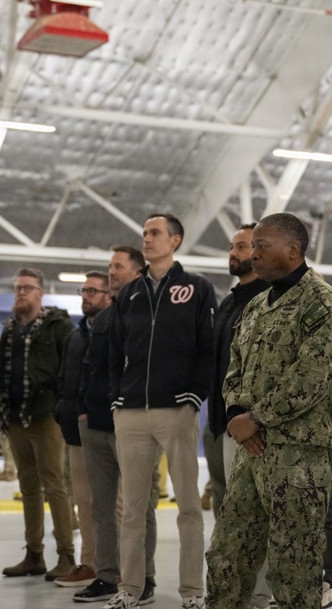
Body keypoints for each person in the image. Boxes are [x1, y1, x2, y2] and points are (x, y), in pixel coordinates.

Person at [205, 212, 332, 609]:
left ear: (293, 249)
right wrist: (237, 412)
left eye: (262, 246)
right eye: (251, 247)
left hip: (297, 455)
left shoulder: (322, 303)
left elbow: (313, 377)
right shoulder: (255, 307)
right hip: (251, 453)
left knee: (294, 562)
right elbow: (234, 367)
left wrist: (255, 419)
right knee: (227, 552)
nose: (253, 255)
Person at [105, 213, 217, 609]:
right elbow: (114, 350)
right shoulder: (129, 293)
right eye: (145, 233)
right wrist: (118, 399)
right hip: (131, 412)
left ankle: (192, 592)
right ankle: (130, 589)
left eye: (154, 233)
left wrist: (193, 397)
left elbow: (208, 349)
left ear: (175, 240)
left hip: (177, 409)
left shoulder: (197, 289)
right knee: (133, 509)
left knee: (188, 505)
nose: (146, 239)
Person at [74, 246, 160, 604]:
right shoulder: (107, 314)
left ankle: (145, 578)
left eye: (118, 266)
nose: (111, 272)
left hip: (133, 418)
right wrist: (83, 410)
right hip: (96, 422)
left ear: (138, 272)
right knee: (100, 505)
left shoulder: (151, 309)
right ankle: (106, 575)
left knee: (140, 505)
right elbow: (93, 367)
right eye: (110, 266)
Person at [0, 267, 77, 581]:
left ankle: (66, 555)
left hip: (47, 416)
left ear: (40, 293)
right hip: (17, 417)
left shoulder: (58, 326)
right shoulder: (11, 328)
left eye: (27, 288)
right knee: (28, 488)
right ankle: (34, 554)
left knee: (54, 486)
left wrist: (62, 404)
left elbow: (71, 368)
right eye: (17, 288)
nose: (20, 292)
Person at [205, 223, 272, 609]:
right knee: (228, 514)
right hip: (220, 425)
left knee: (253, 516)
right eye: (232, 246)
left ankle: (258, 595)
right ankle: (235, 591)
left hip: (247, 427)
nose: (234, 253)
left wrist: (250, 420)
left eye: (243, 246)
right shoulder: (230, 301)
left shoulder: (266, 297)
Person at [53, 271, 111, 588]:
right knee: (84, 502)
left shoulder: (116, 329)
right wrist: (62, 408)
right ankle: (89, 564)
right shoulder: (77, 335)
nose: (85, 295)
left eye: (92, 290)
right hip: (76, 431)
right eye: (83, 290)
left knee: (113, 504)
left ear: (108, 295)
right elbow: (64, 378)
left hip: (108, 430)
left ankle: (116, 568)